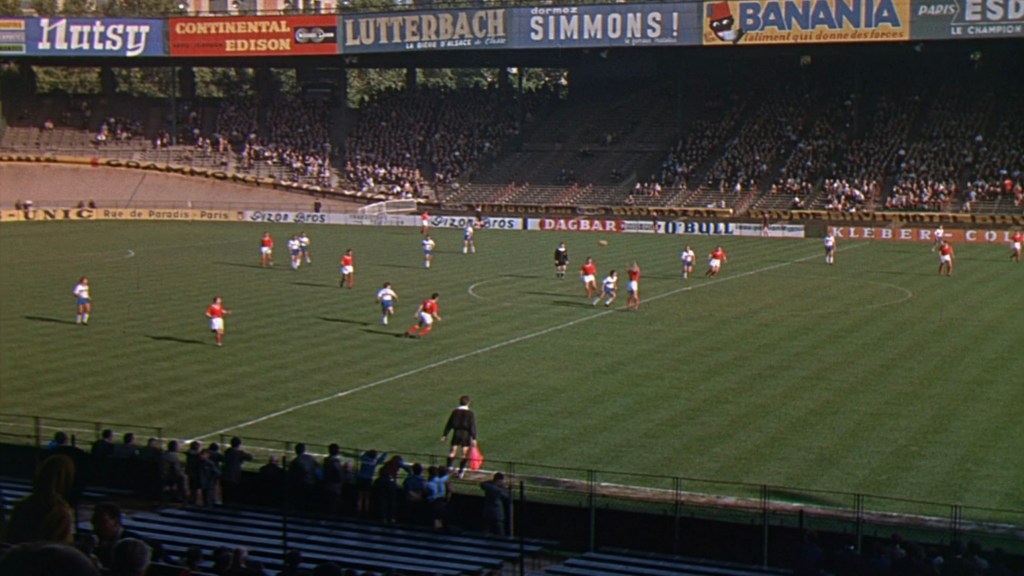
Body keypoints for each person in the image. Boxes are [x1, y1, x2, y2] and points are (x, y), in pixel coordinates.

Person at [441, 395, 476, 477]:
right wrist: (474, 437)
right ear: (468, 403)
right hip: (465, 434)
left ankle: (448, 468)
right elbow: (472, 426)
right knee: (464, 453)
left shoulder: (455, 412)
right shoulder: (470, 413)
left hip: (456, 433)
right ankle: (461, 472)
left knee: (452, 451)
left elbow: (449, 424)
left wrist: (445, 434)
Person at [480, 472, 510, 537]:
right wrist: (503, 488)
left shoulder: (488, 486)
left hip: (487, 510)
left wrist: (493, 482)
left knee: (486, 528)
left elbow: (482, 484)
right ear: (499, 480)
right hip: (497, 512)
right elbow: (506, 497)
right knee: (499, 529)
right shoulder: (499, 490)